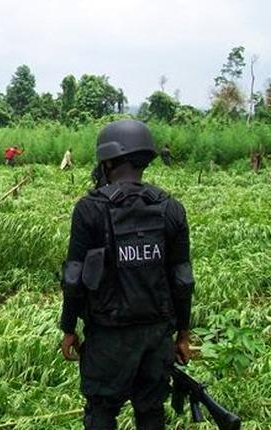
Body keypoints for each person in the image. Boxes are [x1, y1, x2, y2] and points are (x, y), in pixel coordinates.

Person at [59, 120, 193, 430]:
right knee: (151, 411)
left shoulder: (89, 209)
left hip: (108, 337)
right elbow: (183, 279)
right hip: (157, 335)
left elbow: (74, 277)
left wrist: (68, 327)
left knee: (102, 412)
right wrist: (183, 333)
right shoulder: (172, 208)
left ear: (107, 160)